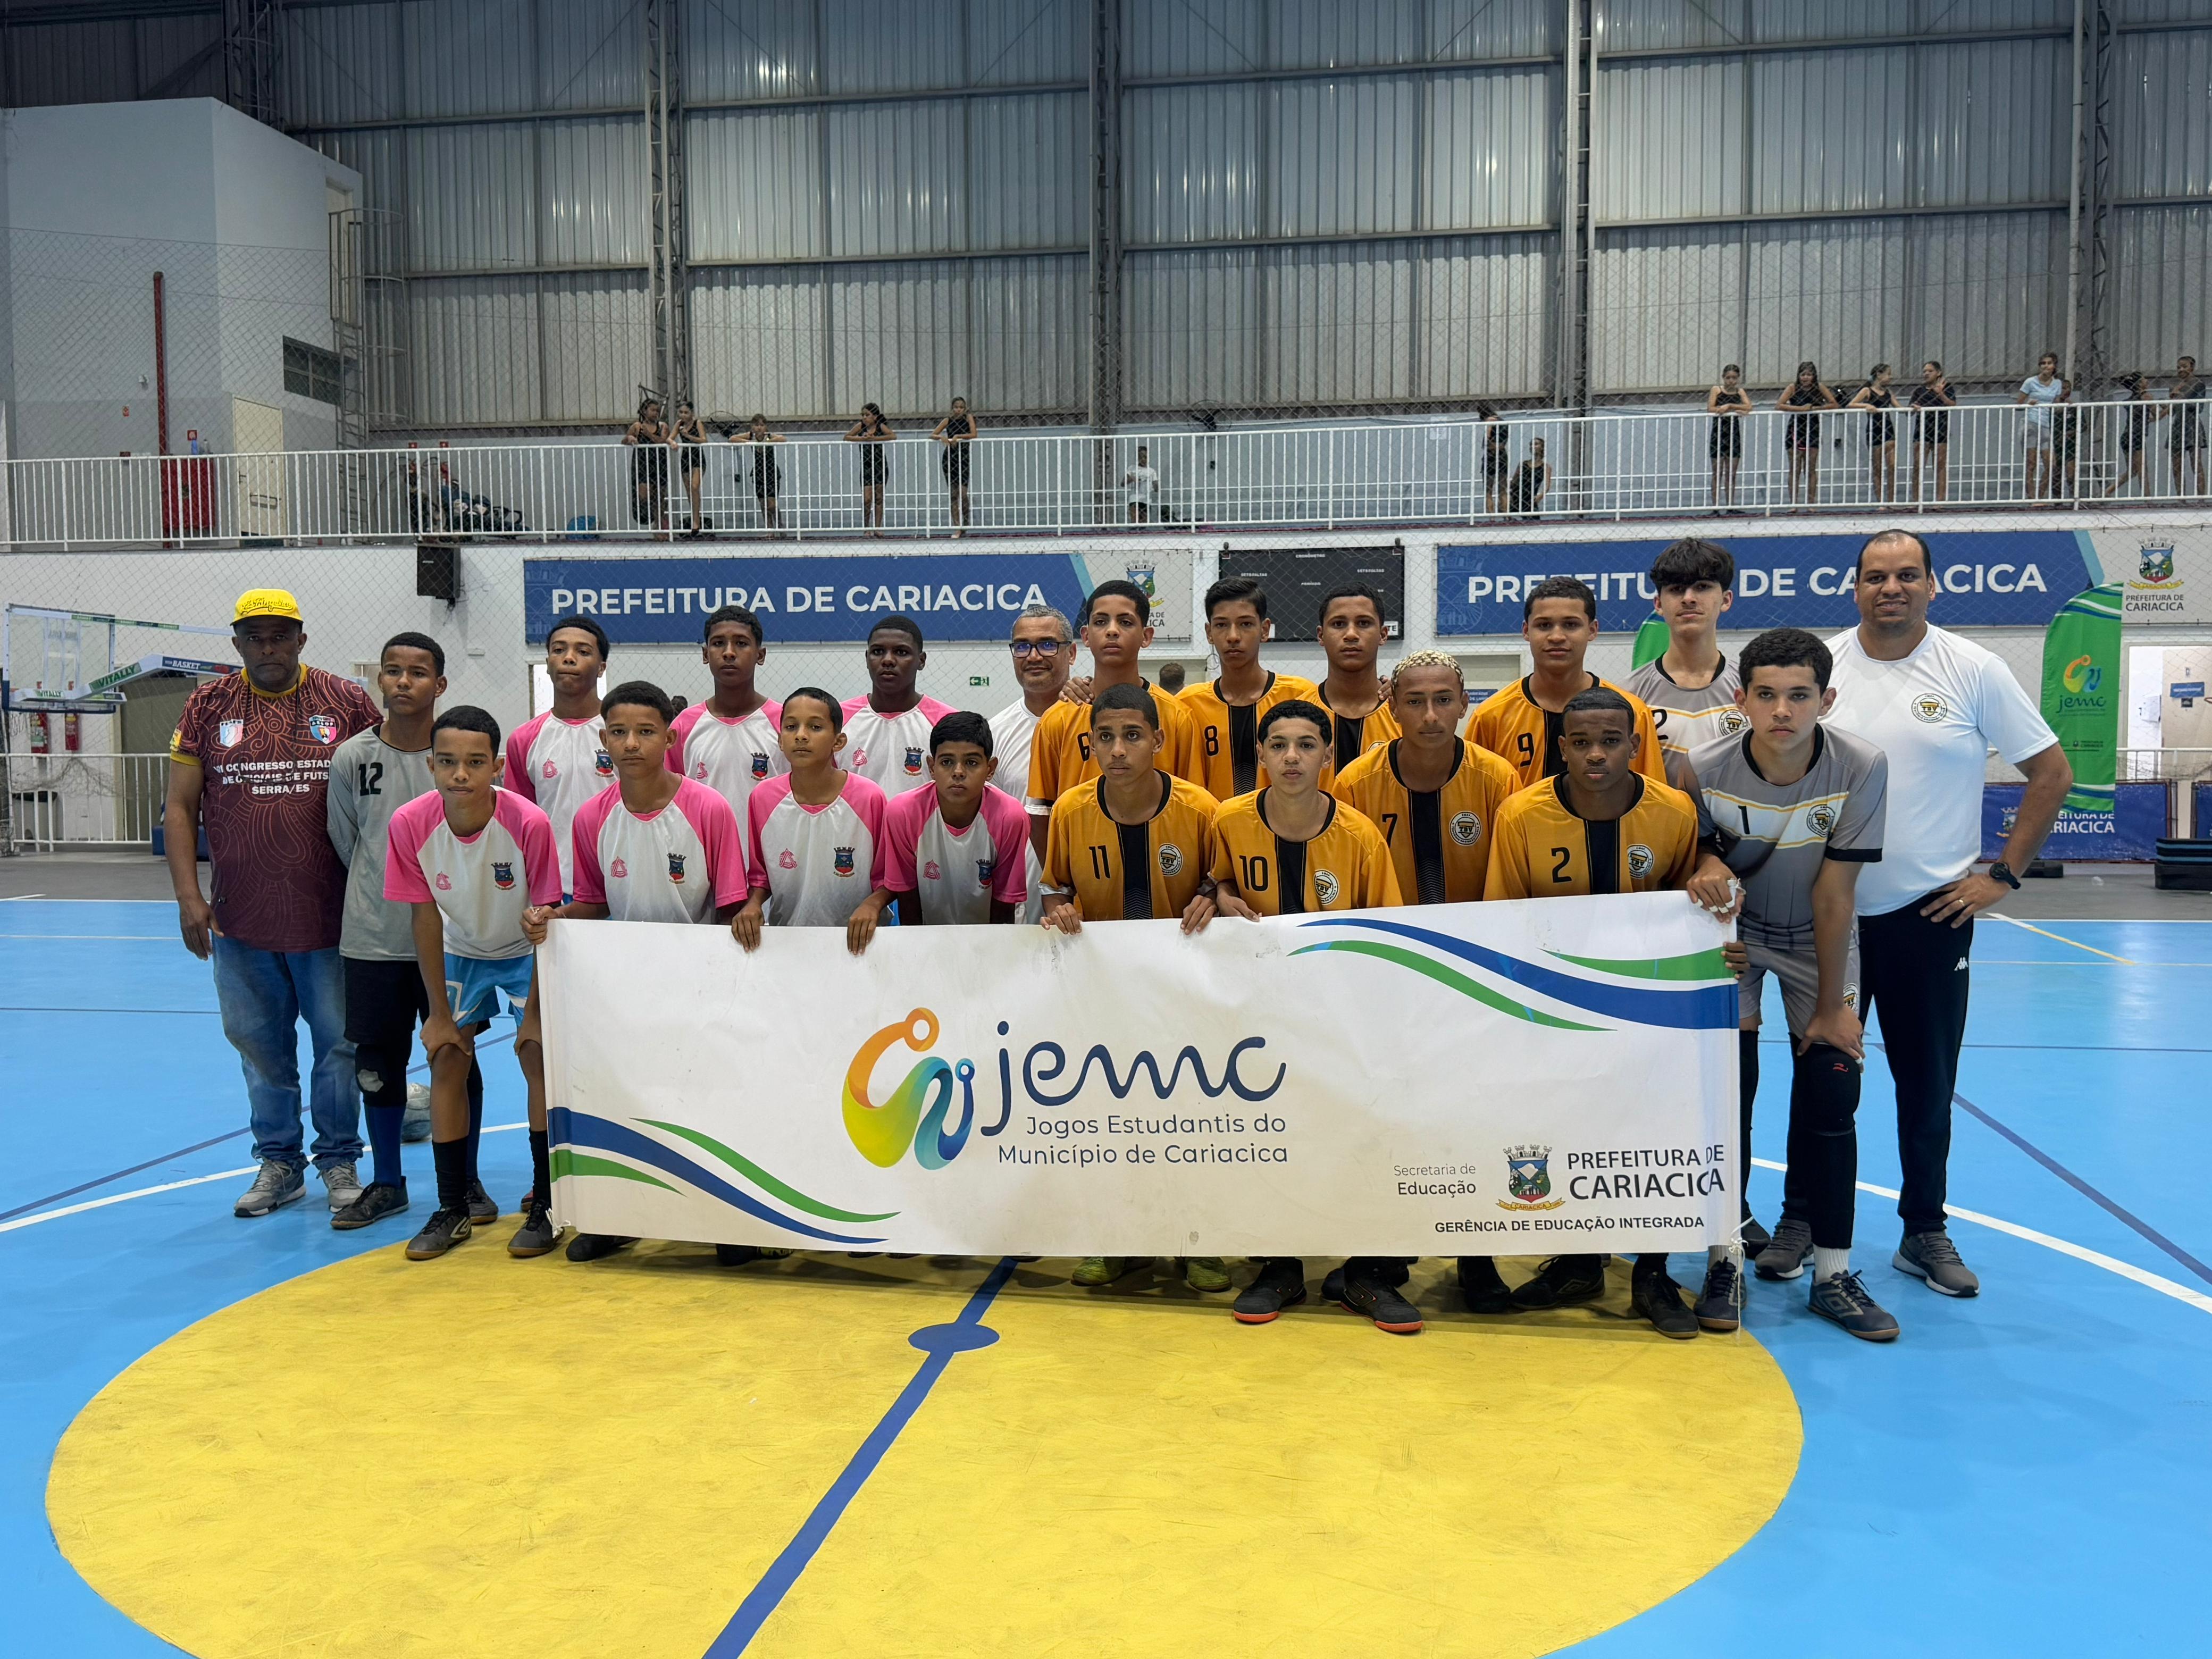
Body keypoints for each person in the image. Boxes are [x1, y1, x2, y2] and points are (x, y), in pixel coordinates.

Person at [1823, 528, 2071, 1297]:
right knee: (1825, 1083)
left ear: (1934, 585)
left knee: (1926, 1086)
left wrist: (2002, 876)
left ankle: (1923, 1229)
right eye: (1874, 576)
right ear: (1854, 588)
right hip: (1829, 918)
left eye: (1905, 576)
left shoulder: (1974, 669)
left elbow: (2052, 773)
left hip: (1929, 917)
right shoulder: (1822, 667)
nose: (1889, 588)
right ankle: (1807, 1223)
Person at [1681, 627, 1895, 1342]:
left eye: (1799, 695)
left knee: (1834, 1090)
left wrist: (1835, 1007)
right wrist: (1707, 863)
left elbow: (1837, 896)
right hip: (1733, 941)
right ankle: (1723, 1261)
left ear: (1826, 700)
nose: (1782, 710)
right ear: (1740, 700)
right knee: (1727, 1092)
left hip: (1817, 939)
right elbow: (1699, 857)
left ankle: (1833, 1274)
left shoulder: (1861, 765)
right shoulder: (1700, 765)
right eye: (1766, 694)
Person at [1479, 687, 1706, 1338]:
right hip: (1557, 1011)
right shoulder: (1521, 815)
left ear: (1637, 747)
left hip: (1647, 1012)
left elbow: (1690, 909)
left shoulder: (1674, 813)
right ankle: (1579, 1262)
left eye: (1610, 741)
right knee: (1571, 1132)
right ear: (1561, 747)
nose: (1596, 754)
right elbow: (1507, 919)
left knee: (1651, 1138)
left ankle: (1652, 1274)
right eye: (1580, 743)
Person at [165, 588, 382, 1219]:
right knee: (259, 1045)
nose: (268, 648)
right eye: (255, 637)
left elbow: (380, 793)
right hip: (240, 916)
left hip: (332, 915)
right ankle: (280, 1163)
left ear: (301, 640)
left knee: (338, 1045)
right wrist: (188, 896)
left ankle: (339, 1157)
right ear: (236, 644)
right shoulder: (208, 705)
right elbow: (179, 807)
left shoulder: (345, 702)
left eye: (280, 636)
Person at [524, 680, 750, 1266]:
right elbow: (594, 903)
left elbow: (730, 906)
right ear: (603, 740)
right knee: (625, 1105)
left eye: (646, 732)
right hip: (622, 992)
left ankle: (727, 1224)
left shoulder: (708, 809)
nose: (631, 743)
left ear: (670, 738)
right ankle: (615, 1219)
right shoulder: (591, 817)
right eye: (619, 732)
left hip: (700, 987)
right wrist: (553, 918)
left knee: (702, 1107)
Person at [1208, 699, 1406, 1332]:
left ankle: (1367, 1273)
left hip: (1343, 1021)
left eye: (1305, 745)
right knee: (1267, 1137)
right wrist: (1215, 895)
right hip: (1257, 1022)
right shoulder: (1228, 822)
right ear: (1260, 754)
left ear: (1328, 755)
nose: (1291, 758)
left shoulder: (1359, 837)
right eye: (1278, 745)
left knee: (1361, 1136)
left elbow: (1389, 937)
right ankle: (1278, 1265)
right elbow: (1208, 887)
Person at [1038, 683, 1224, 1293]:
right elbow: (1055, 890)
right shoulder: (1070, 809)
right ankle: (1116, 1241)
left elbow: (1216, 887)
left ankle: (1201, 1242)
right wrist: (1059, 912)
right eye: (1106, 738)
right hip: (1105, 996)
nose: (1118, 750)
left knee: (1193, 1120)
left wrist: (1210, 897)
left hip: (1185, 994)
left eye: (1132, 736)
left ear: (1159, 740)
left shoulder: (1200, 809)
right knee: (1113, 1121)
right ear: (1089, 744)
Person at [383, 706, 564, 1262]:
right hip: (460, 952)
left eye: (474, 762)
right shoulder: (410, 823)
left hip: (522, 950)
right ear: (431, 765)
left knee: (536, 1055)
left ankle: (547, 1204)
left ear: (498, 766)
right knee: (445, 1057)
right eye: (448, 762)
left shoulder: (529, 823)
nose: (460, 773)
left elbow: (547, 915)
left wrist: (533, 1010)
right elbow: (424, 918)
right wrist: (438, 1013)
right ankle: (453, 1205)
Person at [325, 632, 447, 1230]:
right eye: (393, 671)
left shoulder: (457, 755)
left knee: (454, 1059)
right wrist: (385, 888)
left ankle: (462, 1184)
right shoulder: (351, 757)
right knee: (377, 1064)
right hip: (374, 937)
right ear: (380, 681)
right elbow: (350, 842)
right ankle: (388, 1183)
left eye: (418, 673)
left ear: (440, 685)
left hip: (453, 939)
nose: (404, 682)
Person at [1025, 580, 1205, 861]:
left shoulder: (1176, 717)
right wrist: (1062, 882)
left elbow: (1195, 808)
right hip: (1083, 878)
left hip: (1164, 869)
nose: (1111, 630)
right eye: (1100, 622)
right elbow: (1040, 814)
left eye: (1125, 622)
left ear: (1146, 636)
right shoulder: (1058, 719)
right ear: (1085, 636)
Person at [1333, 652, 1517, 909]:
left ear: (1463, 705)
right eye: (1415, 702)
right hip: (1385, 937)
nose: (1430, 716)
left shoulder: (1498, 778)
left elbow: (1512, 882)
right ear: (1394, 708)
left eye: (1443, 700)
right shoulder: (1354, 784)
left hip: (1477, 936)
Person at [1465, 575, 1666, 792]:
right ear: (1526, 631)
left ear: (1592, 630)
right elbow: (1473, 796)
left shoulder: (1633, 713)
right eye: (1544, 625)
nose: (1557, 636)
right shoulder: (1491, 716)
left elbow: (1654, 799)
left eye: (1571, 625)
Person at [732, 689, 891, 946]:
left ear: (838, 742)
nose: (801, 735)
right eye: (791, 726)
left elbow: (888, 877)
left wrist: (872, 905)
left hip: (861, 942)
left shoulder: (870, 797)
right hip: (788, 940)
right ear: (780, 740)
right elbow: (760, 876)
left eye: (815, 727)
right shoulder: (763, 798)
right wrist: (753, 904)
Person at [854, 712, 1029, 940]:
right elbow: (907, 895)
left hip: (990, 934)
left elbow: (1004, 903)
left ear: (991, 768)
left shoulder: (1011, 817)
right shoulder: (903, 813)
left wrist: (992, 953)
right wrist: (918, 951)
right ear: (931, 766)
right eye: (947, 762)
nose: (958, 772)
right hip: (928, 935)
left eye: (972, 762)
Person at [1179, 575, 1323, 801]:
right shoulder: (1188, 704)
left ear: (1264, 630)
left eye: (1245, 624)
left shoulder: (1300, 695)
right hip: (1213, 831)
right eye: (1221, 625)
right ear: (1209, 633)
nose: (1233, 636)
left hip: (1285, 830)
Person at [668, 604, 784, 874]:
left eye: (741, 644)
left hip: (774, 865)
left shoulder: (784, 723)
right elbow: (669, 802)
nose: (729, 652)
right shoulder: (684, 726)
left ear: (761, 655)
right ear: (706, 654)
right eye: (719, 643)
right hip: (702, 865)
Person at [504, 614, 612, 899]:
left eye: (583, 651)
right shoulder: (524, 739)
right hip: (555, 886)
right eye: (559, 650)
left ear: (601, 668)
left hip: (620, 881)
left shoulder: (623, 732)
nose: (569, 658)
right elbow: (520, 822)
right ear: (548, 663)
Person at [1625, 538, 1745, 789]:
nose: (1689, 598)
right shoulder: (1630, 695)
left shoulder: (1752, 689)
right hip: (1660, 826)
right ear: (1658, 604)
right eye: (1677, 589)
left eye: (1702, 587)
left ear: (1726, 600)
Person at [988, 604, 1076, 924]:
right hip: (1022, 897)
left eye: (1048, 644)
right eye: (1022, 646)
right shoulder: (995, 733)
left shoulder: (1100, 720)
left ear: (1072, 653)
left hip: (1096, 883)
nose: (1034, 656)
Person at [841, 615, 957, 796]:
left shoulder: (948, 723)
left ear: (921, 661)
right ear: (867, 658)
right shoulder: (837, 720)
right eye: (878, 652)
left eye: (901, 652)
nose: (888, 660)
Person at [1313, 582, 1398, 768]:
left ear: (1383, 635)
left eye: (1363, 623)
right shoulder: (1299, 714)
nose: (1351, 634)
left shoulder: (1403, 715)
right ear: (1321, 636)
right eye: (1339, 624)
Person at [1779, 361, 1838, 507]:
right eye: (1803, 375)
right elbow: (1779, 405)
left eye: (1809, 375)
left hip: (1812, 428)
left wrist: (1814, 408)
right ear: (1799, 376)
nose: (1806, 378)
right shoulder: (1793, 388)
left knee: (1811, 468)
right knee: (1795, 468)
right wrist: (1800, 409)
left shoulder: (1819, 388)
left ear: (1814, 376)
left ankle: (1811, 503)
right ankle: (1794, 504)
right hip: (1796, 429)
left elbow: (1834, 404)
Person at [2106, 373, 2164, 499]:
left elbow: (2146, 416)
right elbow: (2157, 415)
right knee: (2143, 470)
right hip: (2137, 435)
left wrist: (2149, 418)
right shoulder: (2146, 397)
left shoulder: (2132, 398)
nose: (2147, 380)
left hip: (2126, 436)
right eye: (2144, 379)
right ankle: (2147, 499)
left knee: (2133, 471)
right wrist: (2167, 407)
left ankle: (2108, 491)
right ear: (2139, 384)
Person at [1847, 364, 1899, 505]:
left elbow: (1900, 408)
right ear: (1879, 375)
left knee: (1892, 466)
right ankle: (1881, 501)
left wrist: (1914, 408)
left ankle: (1891, 500)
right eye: (1888, 374)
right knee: (1877, 467)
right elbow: (1851, 404)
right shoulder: (1867, 391)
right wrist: (1866, 405)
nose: (1891, 377)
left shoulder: (1888, 393)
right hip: (1874, 430)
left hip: (1888, 430)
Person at [2017, 351, 2065, 500]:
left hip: (2046, 425)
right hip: (2031, 424)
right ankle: (2031, 498)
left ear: (2054, 366)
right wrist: (2027, 404)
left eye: (2049, 363)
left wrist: (2063, 406)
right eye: (2043, 363)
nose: (2046, 366)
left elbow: (2055, 404)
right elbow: (2018, 405)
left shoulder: (2057, 384)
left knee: (2051, 464)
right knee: (2031, 464)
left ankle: (2040, 495)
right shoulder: (2030, 382)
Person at [1909, 360, 1956, 503]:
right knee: (1918, 466)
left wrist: (1941, 394)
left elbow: (1953, 405)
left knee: (1940, 466)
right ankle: (1916, 500)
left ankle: (1940, 501)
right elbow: (1910, 409)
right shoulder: (1919, 391)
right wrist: (1914, 407)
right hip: (1922, 430)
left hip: (1940, 429)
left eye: (1930, 371)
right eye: (1924, 371)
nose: (1926, 374)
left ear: (1938, 373)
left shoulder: (1947, 387)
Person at [845, 402, 895, 535]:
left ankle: (878, 528)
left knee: (879, 498)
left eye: (867, 415)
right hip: (867, 466)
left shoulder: (880, 427)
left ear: (875, 417)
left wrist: (875, 438)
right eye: (863, 415)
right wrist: (862, 439)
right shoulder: (861, 427)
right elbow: (847, 437)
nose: (864, 418)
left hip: (880, 465)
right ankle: (866, 527)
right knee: (867, 499)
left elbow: (892, 436)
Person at [624, 396, 670, 537]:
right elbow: (624, 440)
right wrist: (630, 438)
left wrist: (649, 434)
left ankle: (658, 525)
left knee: (660, 495)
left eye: (657, 411)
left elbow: (661, 441)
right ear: (645, 411)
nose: (655, 413)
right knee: (645, 494)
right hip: (642, 462)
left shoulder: (662, 426)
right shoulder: (637, 426)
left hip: (659, 462)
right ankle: (646, 515)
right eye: (652, 410)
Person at [932, 396, 978, 535]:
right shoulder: (948, 420)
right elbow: (933, 434)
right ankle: (957, 526)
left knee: (963, 494)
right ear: (952, 408)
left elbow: (974, 434)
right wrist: (943, 438)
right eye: (956, 407)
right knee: (953, 494)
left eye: (961, 407)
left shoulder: (968, 418)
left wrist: (959, 436)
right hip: (950, 458)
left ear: (965, 409)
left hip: (963, 457)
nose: (958, 410)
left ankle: (966, 521)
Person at [1707, 365, 1750, 507]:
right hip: (1719, 432)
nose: (1731, 381)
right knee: (1717, 472)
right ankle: (1716, 506)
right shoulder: (1717, 390)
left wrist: (1731, 406)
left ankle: (1730, 505)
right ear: (1723, 377)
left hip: (1733, 432)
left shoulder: (1740, 391)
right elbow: (1711, 408)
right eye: (1728, 378)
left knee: (1731, 473)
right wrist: (1723, 409)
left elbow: (1749, 406)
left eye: (1734, 378)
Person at [737, 413, 785, 529]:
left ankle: (779, 524)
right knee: (763, 504)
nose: (759, 428)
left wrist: (768, 442)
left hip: (771, 472)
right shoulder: (751, 436)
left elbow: (783, 438)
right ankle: (769, 529)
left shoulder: (768, 436)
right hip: (758, 473)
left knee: (772, 504)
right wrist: (749, 442)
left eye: (762, 425)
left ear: (766, 426)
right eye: (757, 425)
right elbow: (732, 439)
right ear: (752, 426)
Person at [671, 400, 709, 535]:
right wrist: (673, 443)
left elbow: (704, 440)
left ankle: (696, 522)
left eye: (686, 413)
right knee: (689, 492)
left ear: (692, 413)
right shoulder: (679, 424)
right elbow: (670, 437)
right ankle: (695, 519)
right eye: (681, 412)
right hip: (686, 458)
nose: (683, 415)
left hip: (697, 457)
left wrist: (689, 436)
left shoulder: (698, 423)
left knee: (695, 487)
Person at [2170, 355, 2206, 496]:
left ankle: (2201, 498)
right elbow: (2172, 410)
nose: (2181, 370)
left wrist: (2182, 397)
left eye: (2184, 366)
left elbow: (2199, 407)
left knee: (2196, 464)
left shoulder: (2198, 384)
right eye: (2178, 367)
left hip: (2192, 424)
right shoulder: (2174, 385)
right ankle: (2181, 498)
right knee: (2176, 466)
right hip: (2178, 425)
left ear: (2192, 367)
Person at [1506, 436, 1549, 517]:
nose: (1532, 447)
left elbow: (1547, 487)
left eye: (1536, 444)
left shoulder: (1546, 467)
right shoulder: (1523, 464)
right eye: (1531, 445)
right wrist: (1509, 493)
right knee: (1510, 519)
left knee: (1533, 520)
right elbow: (1514, 481)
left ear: (1542, 447)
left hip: (1531, 499)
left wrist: (1540, 496)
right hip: (1517, 496)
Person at [1480, 403, 1510, 516]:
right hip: (1502, 456)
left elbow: (1488, 441)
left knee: (1489, 491)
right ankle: (1506, 515)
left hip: (1491, 457)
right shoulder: (1504, 423)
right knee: (1503, 489)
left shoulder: (1491, 421)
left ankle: (1492, 517)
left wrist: (1488, 429)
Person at [1124, 445, 1159, 523]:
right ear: (1137, 458)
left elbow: (1156, 488)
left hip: (1146, 499)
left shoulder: (1151, 471)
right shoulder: (1132, 468)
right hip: (1134, 498)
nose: (1143, 460)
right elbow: (1123, 483)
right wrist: (1133, 478)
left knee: (1144, 521)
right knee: (1135, 520)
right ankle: (1133, 531)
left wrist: (1155, 485)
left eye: (1145, 457)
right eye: (1141, 457)